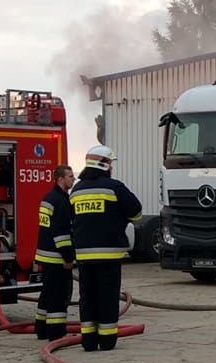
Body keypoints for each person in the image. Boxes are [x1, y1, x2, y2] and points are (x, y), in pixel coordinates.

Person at [69, 146, 142, 352]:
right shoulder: (114, 187)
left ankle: (89, 341)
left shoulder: (77, 189)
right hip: (109, 254)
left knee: (87, 297)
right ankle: (107, 340)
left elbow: (72, 219)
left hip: (83, 255)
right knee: (108, 297)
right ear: (105, 164)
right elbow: (136, 212)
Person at [33, 165, 77, 340]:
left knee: (47, 294)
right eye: (70, 176)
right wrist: (68, 257)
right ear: (61, 179)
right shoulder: (61, 201)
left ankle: (41, 329)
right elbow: (61, 234)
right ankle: (56, 333)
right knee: (59, 296)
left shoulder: (48, 198)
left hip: (45, 255)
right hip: (57, 257)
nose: (73, 179)